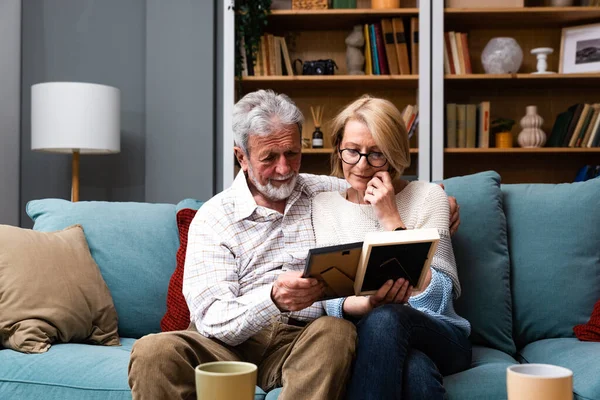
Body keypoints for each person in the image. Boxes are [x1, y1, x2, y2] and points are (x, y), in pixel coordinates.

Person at [127, 89, 461, 400]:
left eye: (292, 153)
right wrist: (273, 298)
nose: (284, 169)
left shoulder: (321, 191)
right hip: (227, 344)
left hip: (305, 339)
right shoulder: (215, 218)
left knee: (336, 333)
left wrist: (442, 204)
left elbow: (374, 182)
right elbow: (213, 319)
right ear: (241, 157)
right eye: (269, 157)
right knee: (152, 351)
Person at [312, 95, 472, 400]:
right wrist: (370, 304)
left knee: (388, 317)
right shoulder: (324, 206)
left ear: (395, 154)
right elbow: (330, 299)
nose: (361, 165)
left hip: (441, 335)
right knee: (415, 370)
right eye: (352, 151)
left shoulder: (428, 197)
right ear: (338, 149)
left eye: (376, 154)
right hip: (370, 339)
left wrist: (390, 218)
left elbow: (436, 299)